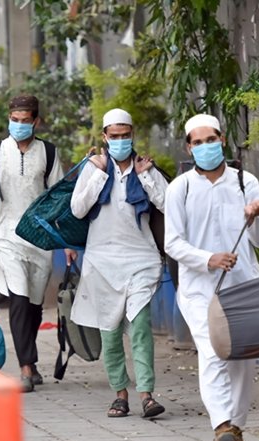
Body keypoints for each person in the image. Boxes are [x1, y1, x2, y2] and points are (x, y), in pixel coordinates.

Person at [164, 113, 259, 441]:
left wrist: (253, 217)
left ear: (222, 140)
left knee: (242, 358)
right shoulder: (180, 188)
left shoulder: (246, 181)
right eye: (198, 142)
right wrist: (208, 259)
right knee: (212, 352)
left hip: (243, 287)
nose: (206, 147)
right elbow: (173, 243)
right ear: (188, 148)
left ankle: (236, 430)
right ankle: (221, 425)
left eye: (211, 140)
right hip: (199, 289)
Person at [70, 108, 169, 418]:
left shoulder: (147, 169)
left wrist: (145, 178)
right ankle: (120, 394)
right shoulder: (93, 168)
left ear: (132, 135)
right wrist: (98, 173)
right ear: (105, 137)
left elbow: (168, 204)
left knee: (140, 327)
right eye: (115, 136)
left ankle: (147, 394)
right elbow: (77, 209)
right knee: (110, 333)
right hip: (101, 262)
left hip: (141, 259)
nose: (121, 141)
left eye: (126, 136)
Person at [0, 95, 64, 393]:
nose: (19, 126)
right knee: (19, 298)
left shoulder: (48, 152)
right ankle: (25, 367)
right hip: (6, 236)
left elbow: (60, 197)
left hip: (40, 240)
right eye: (14, 120)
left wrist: (67, 240)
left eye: (25, 121)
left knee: (34, 305)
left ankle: (31, 361)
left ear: (36, 121)